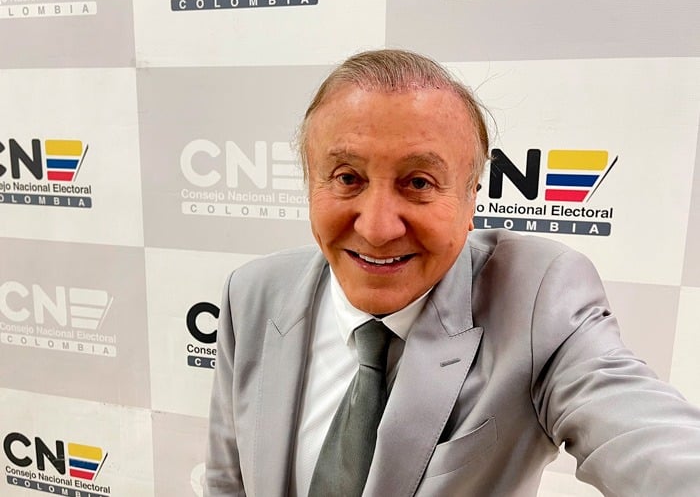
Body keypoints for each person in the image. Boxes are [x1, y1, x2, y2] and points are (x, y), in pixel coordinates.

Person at [204, 49, 700, 496]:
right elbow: (227, 481)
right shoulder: (253, 293)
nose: (377, 228)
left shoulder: (537, 300)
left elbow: (643, 431)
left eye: (419, 182)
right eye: (347, 178)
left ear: (470, 199)